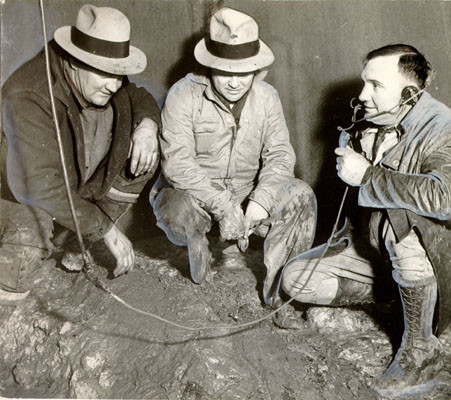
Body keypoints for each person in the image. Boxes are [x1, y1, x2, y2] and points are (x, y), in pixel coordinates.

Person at [281, 44, 451, 396]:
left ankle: (422, 349)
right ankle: (402, 299)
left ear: (408, 94)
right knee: (297, 281)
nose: (362, 95)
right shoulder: (371, 122)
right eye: (364, 83)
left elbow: (444, 198)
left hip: (433, 258)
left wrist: (369, 176)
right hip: (378, 255)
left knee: (399, 217)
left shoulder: (443, 127)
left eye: (375, 86)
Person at [150, 7, 316, 303]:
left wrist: (259, 203)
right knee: (176, 209)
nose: (235, 82)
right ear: (210, 65)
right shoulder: (183, 94)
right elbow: (177, 163)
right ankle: (203, 255)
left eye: (244, 73)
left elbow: (279, 154)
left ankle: (281, 294)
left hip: (246, 195)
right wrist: (224, 207)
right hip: (195, 196)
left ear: (256, 69)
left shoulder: (267, 98)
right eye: (225, 71)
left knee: (301, 196)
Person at [0, 4, 161, 304]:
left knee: (145, 153)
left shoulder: (100, 76)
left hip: (72, 189)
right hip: (16, 198)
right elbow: (37, 185)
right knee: (25, 249)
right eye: (106, 74)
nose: (114, 85)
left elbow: (136, 94)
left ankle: (77, 241)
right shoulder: (29, 94)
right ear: (75, 60)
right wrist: (104, 228)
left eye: (119, 74)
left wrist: (148, 127)